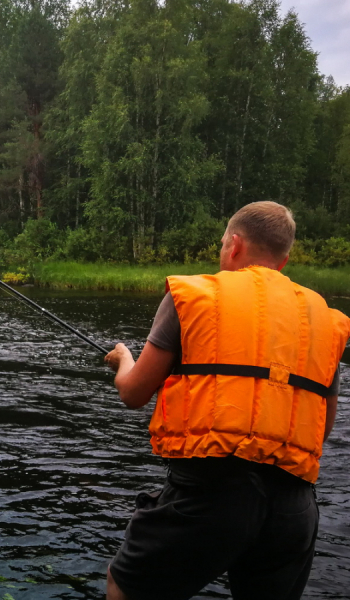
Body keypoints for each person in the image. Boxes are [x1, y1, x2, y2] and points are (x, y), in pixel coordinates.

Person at [103, 201, 350, 600]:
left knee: (125, 588)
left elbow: (133, 392)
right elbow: (323, 424)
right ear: (284, 261)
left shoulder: (194, 295)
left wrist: (123, 359)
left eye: (222, 245)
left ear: (234, 245)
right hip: (294, 507)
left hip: (211, 492)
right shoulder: (322, 317)